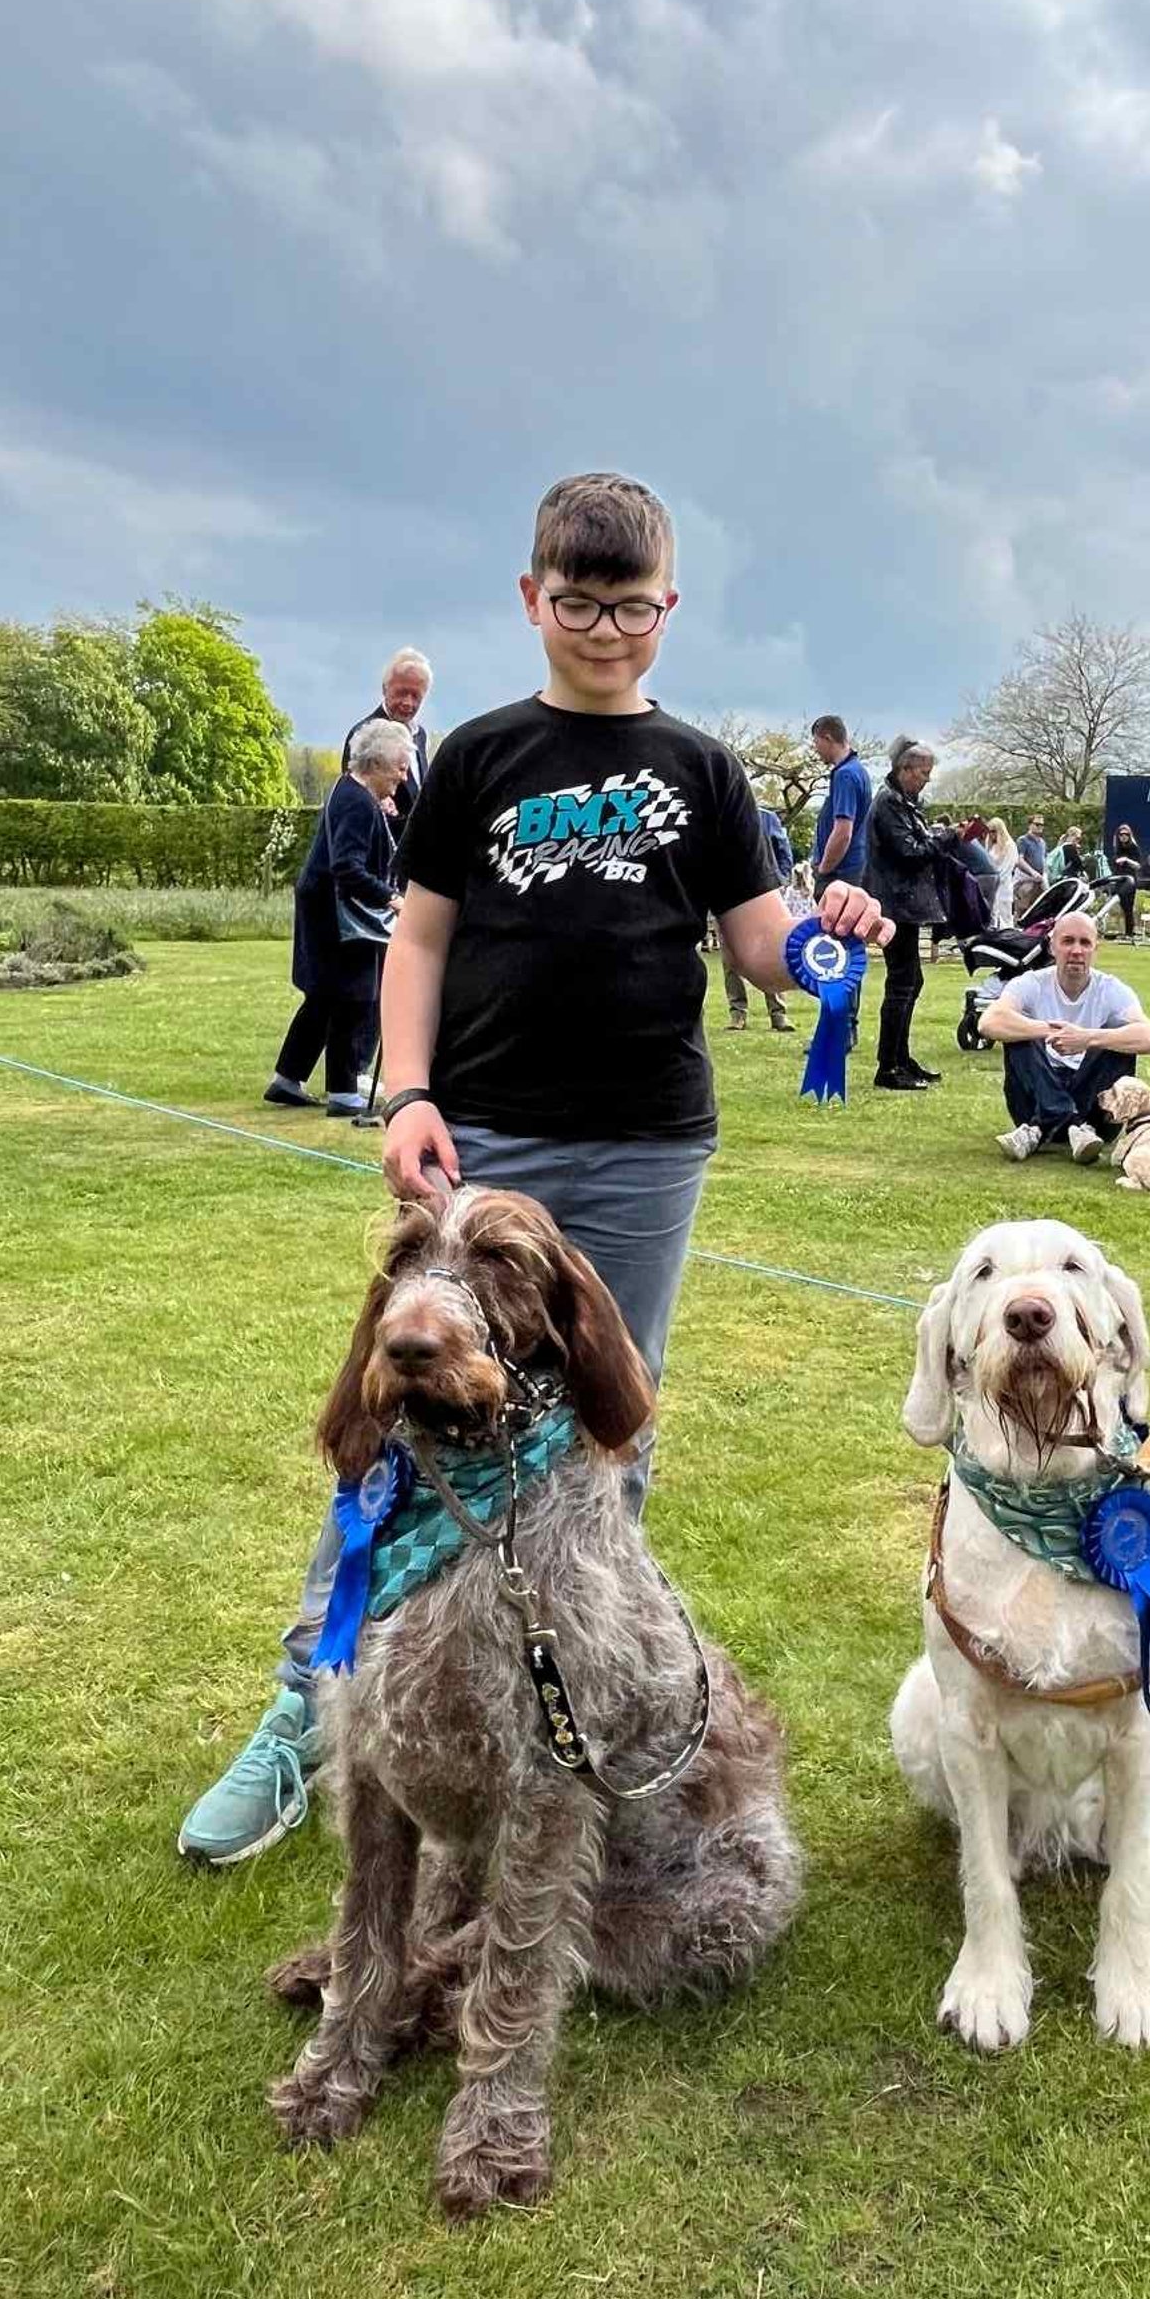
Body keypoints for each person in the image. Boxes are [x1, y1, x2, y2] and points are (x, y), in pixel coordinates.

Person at [180, 473, 887, 1866]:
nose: (605, 630)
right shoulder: (480, 759)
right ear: (531, 599)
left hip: (645, 1150)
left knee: (602, 1440)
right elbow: (422, 941)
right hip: (484, 1141)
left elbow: (760, 945)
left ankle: (568, 1713)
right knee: (401, 1427)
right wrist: (407, 1088)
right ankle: (307, 1708)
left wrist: (829, 938)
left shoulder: (702, 771)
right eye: (577, 603)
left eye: (630, 607)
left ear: (667, 609)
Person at [263, 717, 410, 1114]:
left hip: (324, 908)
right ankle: (344, 1094)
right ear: (377, 764)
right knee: (354, 998)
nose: (404, 775)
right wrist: (393, 899)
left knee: (323, 999)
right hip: (341, 918)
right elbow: (348, 867)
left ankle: (286, 1079)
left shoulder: (351, 792)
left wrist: (382, 813)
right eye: (399, 766)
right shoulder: (358, 802)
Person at [981, 911, 1150, 1162]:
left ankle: (1041, 1129)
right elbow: (989, 1022)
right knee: (1019, 1034)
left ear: (1095, 949)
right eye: (1068, 941)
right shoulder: (1031, 983)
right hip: (1034, 1098)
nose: (1076, 950)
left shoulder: (1111, 989)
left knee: (1115, 1040)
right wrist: (1049, 1030)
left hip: (1096, 1113)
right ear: (1052, 946)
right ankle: (1072, 1125)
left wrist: (1088, 1038)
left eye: (1085, 943)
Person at [868, 736, 946, 1093]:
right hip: (894, 904)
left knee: (911, 981)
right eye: (923, 773)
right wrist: (945, 840)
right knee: (901, 983)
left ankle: (901, 1057)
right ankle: (889, 1065)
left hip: (904, 904)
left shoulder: (904, 802)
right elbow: (909, 852)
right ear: (904, 770)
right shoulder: (888, 804)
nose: (926, 779)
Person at [722, 804, 798, 1032]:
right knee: (730, 958)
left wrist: (781, 880)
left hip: (764, 892)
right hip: (726, 895)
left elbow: (784, 851)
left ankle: (778, 1013)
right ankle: (738, 1013)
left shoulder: (767, 818)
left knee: (772, 948)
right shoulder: (719, 813)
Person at [342, 648, 433, 826]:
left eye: (416, 696)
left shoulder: (420, 735)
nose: (408, 702)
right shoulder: (364, 736)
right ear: (385, 689)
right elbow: (353, 800)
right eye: (401, 693)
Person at [809, 715, 873, 893]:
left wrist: (823, 871)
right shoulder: (858, 770)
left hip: (841, 875)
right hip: (854, 870)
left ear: (827, 738)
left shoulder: (845, 775)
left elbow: (843, 832)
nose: (816, 749)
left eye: (816, 742)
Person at [984, 816, 1021, 928]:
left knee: (1005, 916)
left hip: (1003, 886)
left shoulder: (1010, 845)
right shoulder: (991, 846)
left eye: (994, 831)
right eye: (989, 832)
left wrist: (995, 880)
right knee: (993, 915)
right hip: (992, 885)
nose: (991, 834)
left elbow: (1007, 867)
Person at [1109, 822, 1143, 939]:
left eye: (1126, 834)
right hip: (1119, 879)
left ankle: (1129, 931)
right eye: (1121, 834)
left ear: (1129, 835)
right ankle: (1124, 930)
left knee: (1129, 905)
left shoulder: (1133, 847)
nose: (1123, 836)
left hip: (1130, 879)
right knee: (1122, 905)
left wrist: (1127, 860)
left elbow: (1138, 865)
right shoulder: (1117, 848)